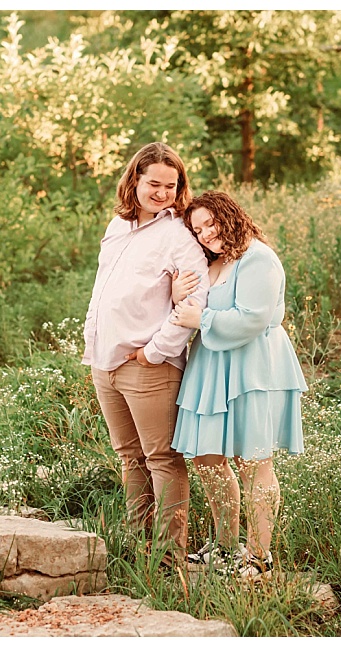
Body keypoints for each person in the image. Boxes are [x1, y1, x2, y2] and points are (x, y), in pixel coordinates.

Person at [82, 142, 211, 565]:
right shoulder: (117, 226)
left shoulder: (177, 236)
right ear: (134, 179)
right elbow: (102, 291)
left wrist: (155, 353)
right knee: (129, 458)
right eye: (153, 183)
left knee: (162, 460)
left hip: (147, 368)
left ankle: (168, 559)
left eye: (170, 187)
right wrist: (92, 344)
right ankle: (139, 550)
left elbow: (195, 304)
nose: (161, 193)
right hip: (106, 362)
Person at [169, 190, 307, 577]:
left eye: (210, 223)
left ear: (230, 216)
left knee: (253, 461)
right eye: (197, 229)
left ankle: (259, 557)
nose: (205, 234)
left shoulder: (258, 258)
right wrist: (178, 295)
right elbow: (188, 305)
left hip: (252, 367)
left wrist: (202, 321)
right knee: (206, 456)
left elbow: (252, 318)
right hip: (213, 366)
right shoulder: (214, 261)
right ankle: (226, 546)